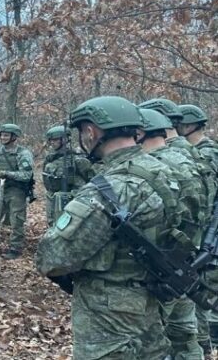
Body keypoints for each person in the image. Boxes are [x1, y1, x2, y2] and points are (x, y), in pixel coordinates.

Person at [36, 96, 174, 359]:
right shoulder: (166, 172)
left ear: (91, 131)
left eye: (81, 131)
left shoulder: (108, 189)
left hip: (107, 315)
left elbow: (52, 257)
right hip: (154, 303)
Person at [137, 108, 208, 358]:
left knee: (154, 339)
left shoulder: (159, 163)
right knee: (186, 333)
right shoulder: (190, 157)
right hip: (188, 257)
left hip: (166, 263)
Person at [178, 103, 218, 352]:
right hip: (204, 230)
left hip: (210, 231)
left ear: (191, 125)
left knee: (204, 289)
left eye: (180, 124)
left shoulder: (207, 153)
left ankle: (206, 343)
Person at [0, 123, 34, 259]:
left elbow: (26, 175)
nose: (3, 137)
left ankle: (15, 249)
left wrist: (4, 173)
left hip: (16, 192)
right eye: (2, 135)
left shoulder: (23, 153)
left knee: (16, 221)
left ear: (14, 137)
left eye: (6, 135)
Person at [41, 125, 94, 226]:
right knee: (53, 226)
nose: (52, 142)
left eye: (55, 139)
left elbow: (91, 181)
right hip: (53, 199)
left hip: (72, 201)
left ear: (65, 140)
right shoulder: (50, 159)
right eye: (50, 140)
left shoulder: (78, 159)